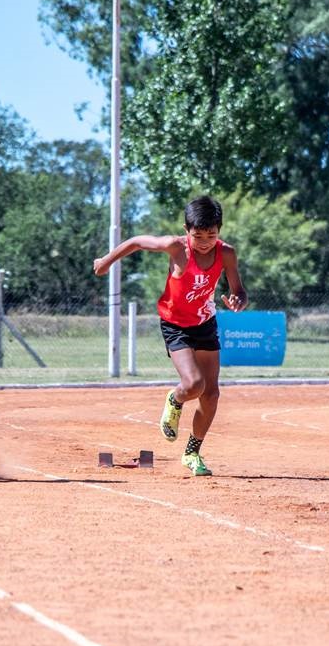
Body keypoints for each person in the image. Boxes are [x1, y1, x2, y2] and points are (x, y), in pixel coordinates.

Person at [93, 195, 247, 476]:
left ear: (220, 230)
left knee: (211, 394)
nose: (204, 242)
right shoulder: (176, 247)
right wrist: (106, 261)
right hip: (175, 324)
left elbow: (239, 290)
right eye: (198, 236)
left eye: (211, 235)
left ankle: (192, 453)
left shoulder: (226, 253)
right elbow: (136, 242)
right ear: (187, 230)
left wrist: (238, 300)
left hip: (205, 322)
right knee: (194, 384)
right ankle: (175, 399)